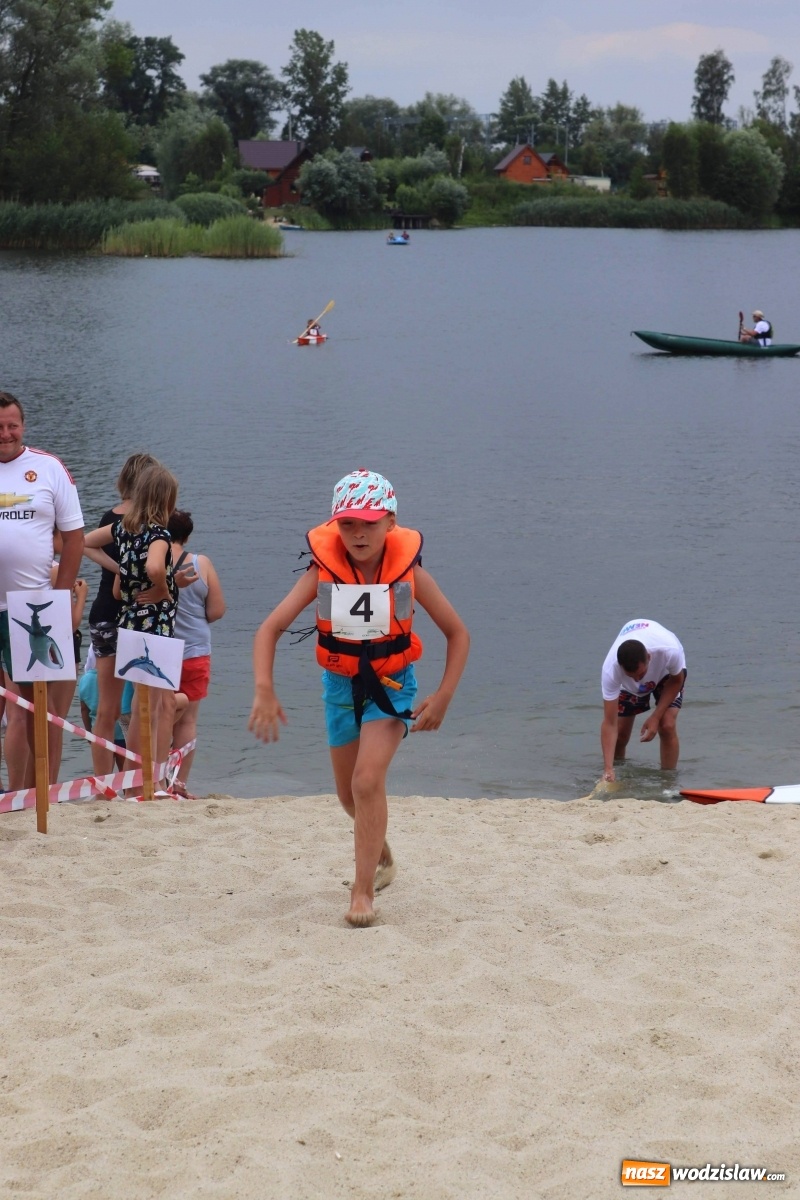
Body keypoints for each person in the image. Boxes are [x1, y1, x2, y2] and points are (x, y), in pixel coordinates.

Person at [249, 468, 470, 928]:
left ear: (391, 522)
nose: (358, 533)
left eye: (369, 523)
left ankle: (363, 892)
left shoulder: (410, 574)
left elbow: (457, 633)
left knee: (367, 782)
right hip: (339, 687)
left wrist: (444, 695)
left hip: (392, 688)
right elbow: (269, 630)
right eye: (348, 524)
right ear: (334, 526)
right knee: (349, 797)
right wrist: (264, 689)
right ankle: (382, 853)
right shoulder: (322, 572)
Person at [0, 391, 84, 789]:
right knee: (14, 710)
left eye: (11, 426)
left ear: (23, 426)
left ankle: (42, 793)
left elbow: (75, 539)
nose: (5, 434)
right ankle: (14, 792)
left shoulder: (48, 468)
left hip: (33, 604)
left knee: (40, 708)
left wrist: (60, 596)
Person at [84, 463, 179, 771]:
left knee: (127, 706)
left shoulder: (121, 529)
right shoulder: (160, 534)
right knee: (148, 707)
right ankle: (141, 777)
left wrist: (123, 572)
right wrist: (162, 589)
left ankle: (121, 779)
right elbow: (154, 567)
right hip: (156, 624)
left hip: (127, 621)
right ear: (167, 501)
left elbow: (86, 544)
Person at [166, 509, 227, 797]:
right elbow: (217, 610)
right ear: (187, 536)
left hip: (160, 650)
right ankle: (178, 785)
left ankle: (152, 778)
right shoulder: (201, 563)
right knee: (188, 719)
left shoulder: (152, 560)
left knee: (157, 714)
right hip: (194, 650)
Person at [600, 618, 687, 783]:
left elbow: (677, 680)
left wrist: (655, 716)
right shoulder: (610, 670)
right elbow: (609, 723)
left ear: (648, 657)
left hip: (666, 676)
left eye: (641, 674)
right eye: (631, 676)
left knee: (666, 724)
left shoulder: (669, 650)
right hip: (628, 687)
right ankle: (615, 777)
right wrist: (607, 768)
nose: (638, 679)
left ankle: (668, 783)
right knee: (621, 735)